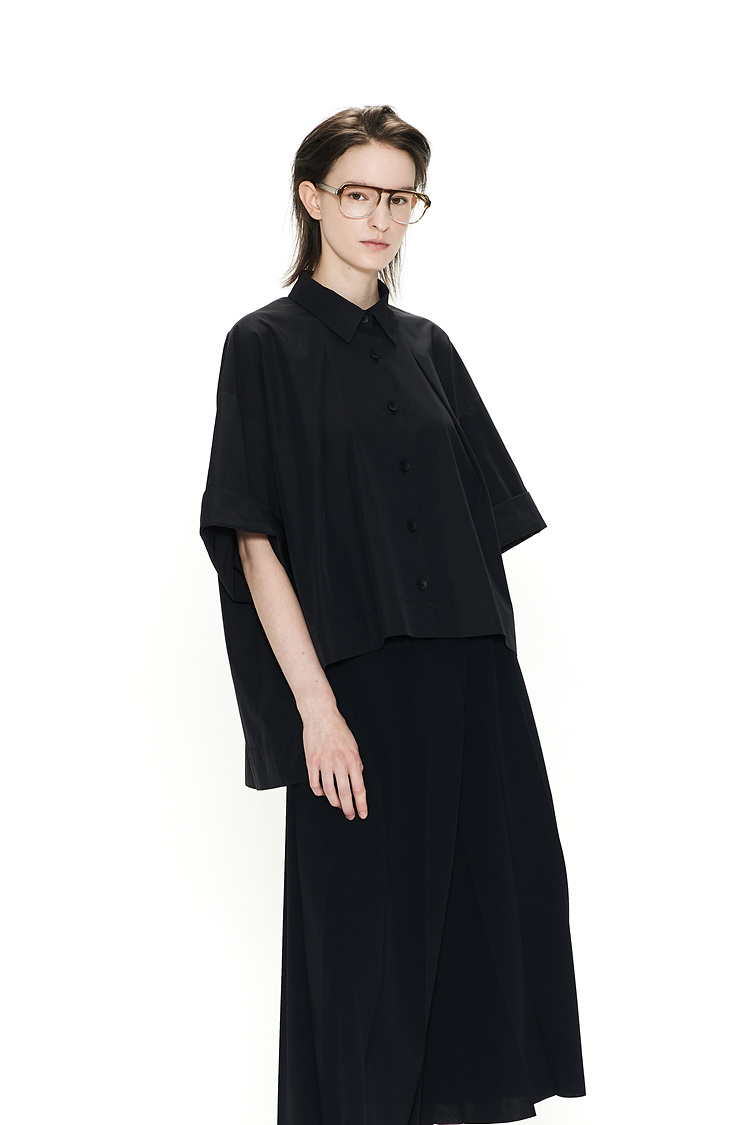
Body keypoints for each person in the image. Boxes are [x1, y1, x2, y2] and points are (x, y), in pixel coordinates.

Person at [200, 104, 586, 1125]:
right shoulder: (263, 346)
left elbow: (479, 526)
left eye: (401, 198)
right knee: (363, 956)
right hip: (356, 687)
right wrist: (316, 710)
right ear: (312, 198)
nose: (380, 218)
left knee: (475, 945)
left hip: (471, 679)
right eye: (359, 194)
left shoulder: (428, 347)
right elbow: (253, 540)